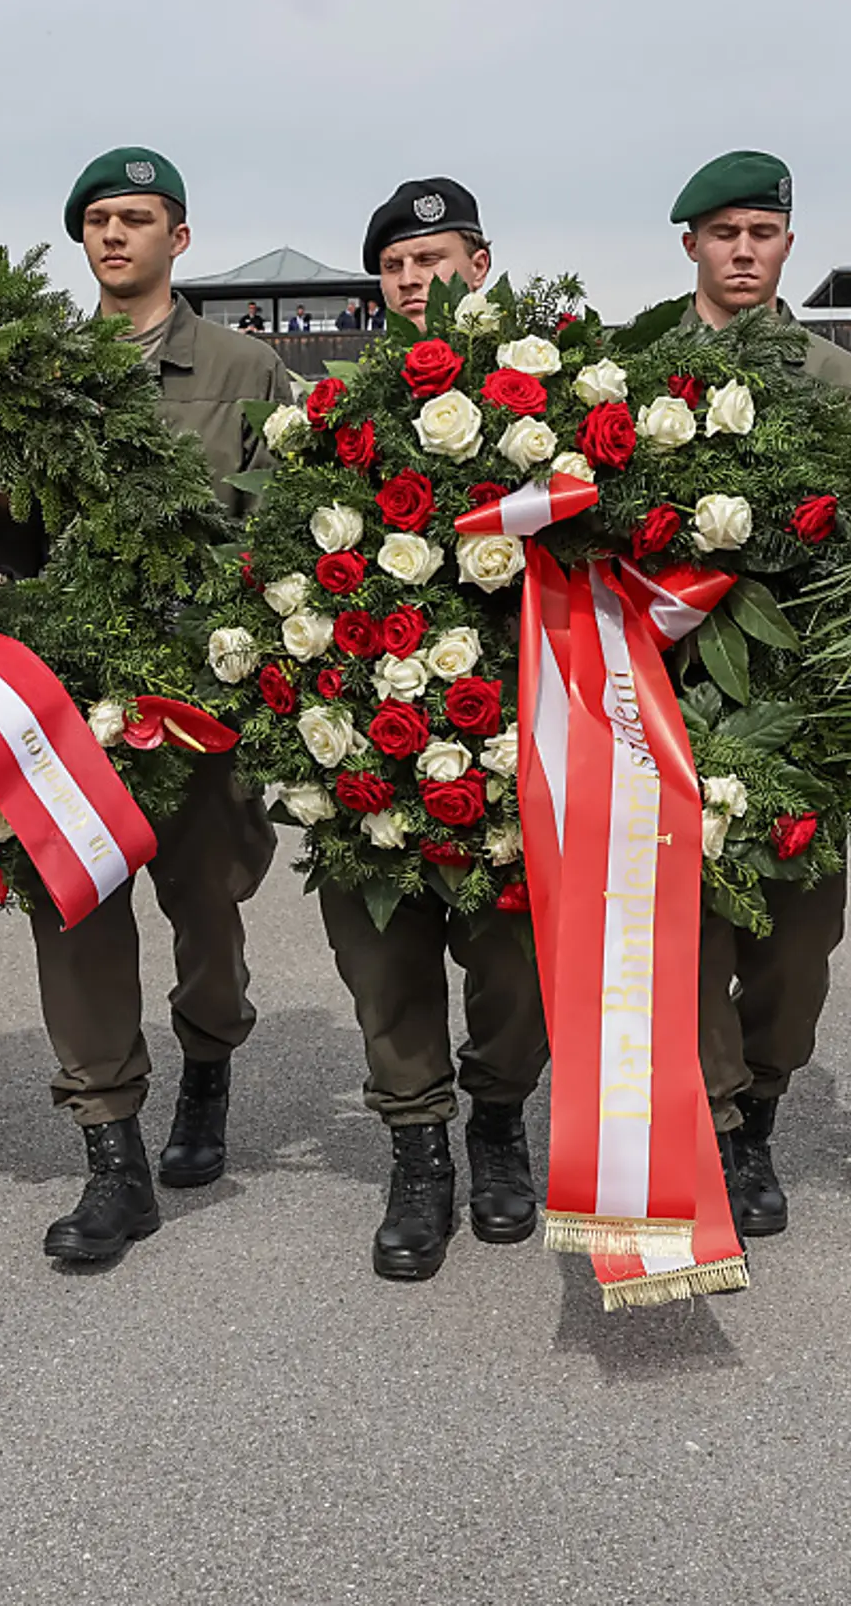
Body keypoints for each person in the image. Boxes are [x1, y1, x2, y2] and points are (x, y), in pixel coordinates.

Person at [23, 146, 292, 1267]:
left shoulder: (243, 366)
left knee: (207, 907)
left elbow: (281, 524)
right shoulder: (36, 371)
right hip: (66, 693)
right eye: (96, 219)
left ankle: (208, 1069)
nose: (114, 235)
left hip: (197, 690)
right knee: (73, 905)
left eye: (136, 217)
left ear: (179, 237)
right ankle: (111, 1155)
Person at [662, 150, 851, 1240]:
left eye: (761, 233)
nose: (742, 251)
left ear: (786, 246)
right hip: (661, 692)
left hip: (796, 695)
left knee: (797, 940)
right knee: (688, 930)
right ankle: (717, 1124)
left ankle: (762, 1094)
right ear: (690, 246)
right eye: (723, 234)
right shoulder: (640, 369)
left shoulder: (841, 381)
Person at [322, 175, 545, 1282]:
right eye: (399, 267)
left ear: (481, 264)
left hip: (512, 733)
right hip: (360, 739)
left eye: (438, 258)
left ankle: (498, 1119)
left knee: (516, 964)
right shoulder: (332, 408)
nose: (418, 279)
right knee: (384, 959)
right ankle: (419, 1155)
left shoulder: (534, 395)